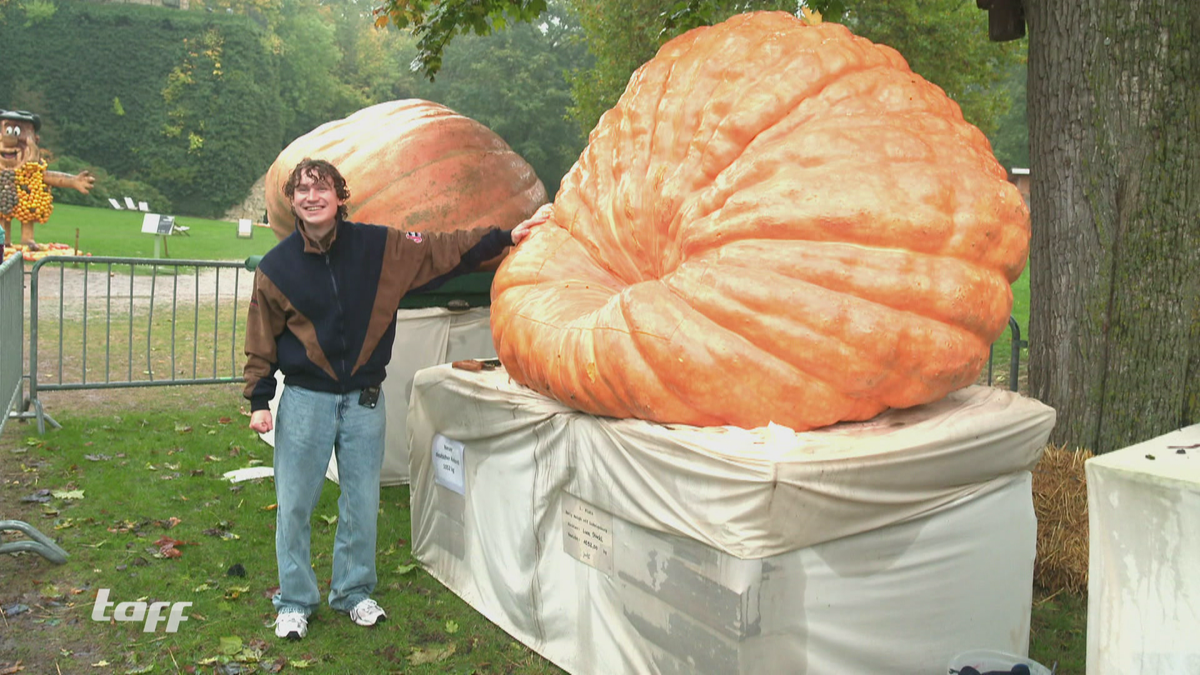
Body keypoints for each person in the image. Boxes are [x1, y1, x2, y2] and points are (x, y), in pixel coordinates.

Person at [243, 158, 548, 640]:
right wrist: (260, 399)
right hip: (305, 401)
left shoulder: (379, 247)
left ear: (339, 196)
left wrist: (506, 237)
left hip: (364, 401)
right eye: (301, 190)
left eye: (321, 188)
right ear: (292, 201)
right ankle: (295, 601)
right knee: (295, 505)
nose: (311, 197)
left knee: (362, 503)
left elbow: (443, 249)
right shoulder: (277, 268)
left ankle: (354, 592)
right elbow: (261, 337)